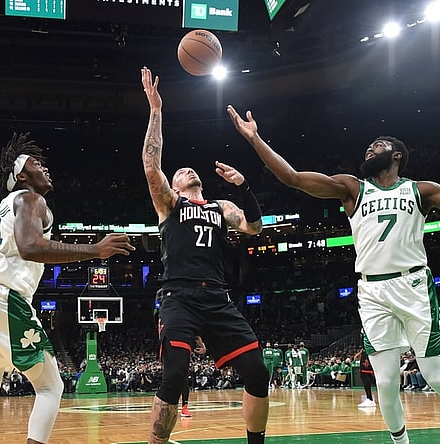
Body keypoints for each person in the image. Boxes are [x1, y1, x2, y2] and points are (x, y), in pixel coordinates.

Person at [227, 105, 440, 444]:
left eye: (378, 145)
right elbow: (292, 178)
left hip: (412, 285)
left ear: (396, 155)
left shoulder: (420, 190)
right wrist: (255, 139)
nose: (369, 149)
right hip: (372, 292)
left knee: (435, 376)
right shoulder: (352, 189)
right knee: (385, 382)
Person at [0, 132, 135, 444]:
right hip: (2, 298)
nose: (44, 167)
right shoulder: (31, 199)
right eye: (36, 163)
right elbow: (31, 246)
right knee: (50, 387)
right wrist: (95, 250)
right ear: (20, 176)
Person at [142, 67, 269, 444]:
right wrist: (156, 110)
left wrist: (244, 186)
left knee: (258, 373)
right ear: (175, 185)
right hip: (178, 295)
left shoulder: (221, 206)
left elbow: (254, 227)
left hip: (216, 295)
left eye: (188, 169)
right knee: (175, 374)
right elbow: (152, 165)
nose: (185, 170)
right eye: (179, 171)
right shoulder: (169, 203)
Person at [181, 336, 207, 418]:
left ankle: (184, 408)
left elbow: (196, 336)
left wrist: (202, 345)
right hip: (170, 347)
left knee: (184, 381)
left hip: (183, 350)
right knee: (171, 380)